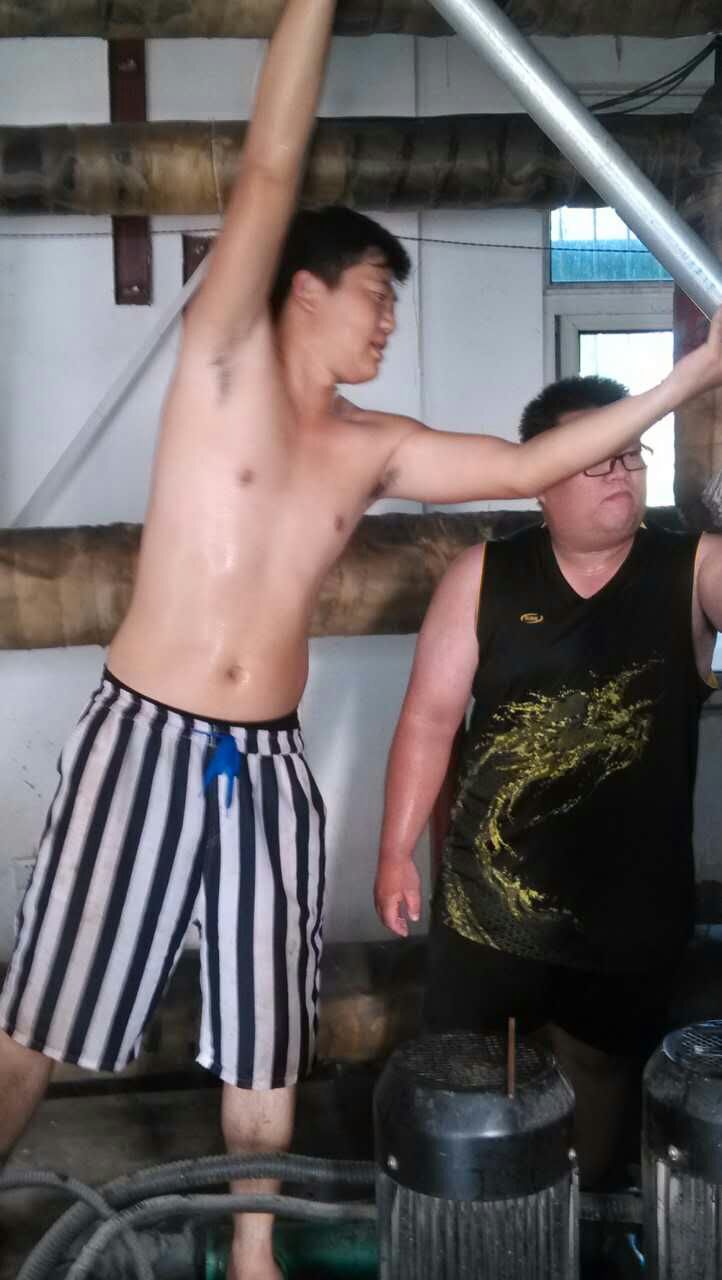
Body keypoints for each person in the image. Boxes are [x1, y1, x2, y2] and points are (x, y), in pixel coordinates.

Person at [2, 0, 722, 1268]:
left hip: (268, 762)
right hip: (144, 740)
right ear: (302, 290)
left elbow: (527, 462)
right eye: (376, 295)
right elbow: (271, 165)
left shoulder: (372, 445)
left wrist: (690, 377)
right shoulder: (219, 363)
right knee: (37, 1015)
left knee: (265, 1037)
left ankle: (255, 1259)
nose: (388, 321)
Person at [375, 374, 722, 1191]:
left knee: (600, 1075)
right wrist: (395, 851)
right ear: (541, 475)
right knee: (472, 1077)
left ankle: (582, 1223)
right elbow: (428, 719)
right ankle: (481, 1233)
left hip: (630, 904)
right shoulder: (484, 575)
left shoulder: (693, 567)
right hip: (487, 896)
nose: (621, 473)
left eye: (631, 455)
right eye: (597, 458)